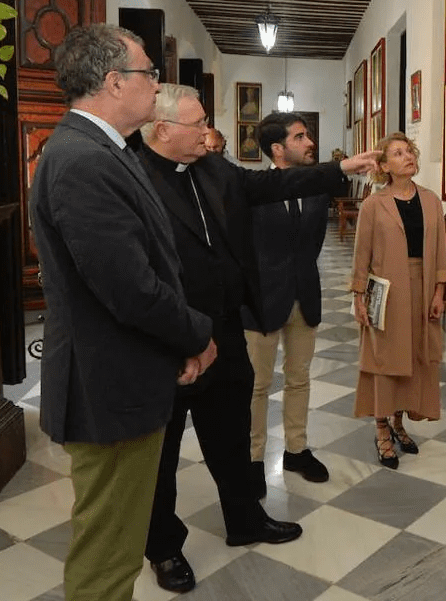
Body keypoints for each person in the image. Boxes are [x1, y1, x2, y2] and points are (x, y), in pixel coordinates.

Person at [137, 85, 378, 592]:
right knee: (161, 454)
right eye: (198, 124)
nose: (209, 133)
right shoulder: (133, 176)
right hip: (171, 341)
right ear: (162, 130)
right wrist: (181, 336)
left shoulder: (213, 168)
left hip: (225, 327)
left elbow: (266, 188)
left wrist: (341, 170)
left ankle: (245, 519)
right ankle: (163, 547)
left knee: (228, 436)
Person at [31, 24, 217, 601]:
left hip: (122, 375)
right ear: (114, 82)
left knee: (116, 539)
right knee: (107, 556)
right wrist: (197, 335)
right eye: (148, 72)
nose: (156, 82)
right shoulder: (82, 160)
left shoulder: (104, 151)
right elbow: (131, 289)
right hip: (106, 385)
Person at [244, 112, 333, 498]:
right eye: (300, 136)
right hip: (261, 300)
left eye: (308, 134)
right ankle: (251, 460)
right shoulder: (250, 190)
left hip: (304, 294)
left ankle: (296, 449)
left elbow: (312, 245)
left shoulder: (316, 189)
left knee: (299, 378)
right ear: (278, 149)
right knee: (257, 385)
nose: (310, 141)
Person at [350, 133, 446, 469]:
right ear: (384, 166)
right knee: (385, 359)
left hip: (422, 288)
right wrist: (358, 296)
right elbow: (361, 254)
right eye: (398, 153)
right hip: (386, 292)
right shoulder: (373, 205)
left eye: (409, 151)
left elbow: (440, 253)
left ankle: (400, 423)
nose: (407, 156)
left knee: (415, 357)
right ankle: (381, 428)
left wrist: (439, 291)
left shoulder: (431, 201)